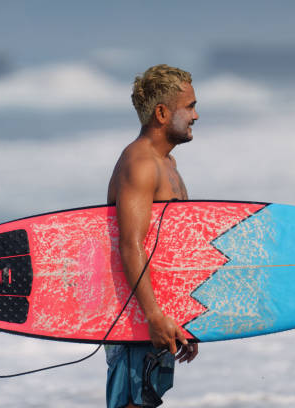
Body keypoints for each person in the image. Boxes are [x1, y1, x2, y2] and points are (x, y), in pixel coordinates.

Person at [105, 64, 200, 408]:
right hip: (136, 318)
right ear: (162, 113)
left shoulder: (167, 164)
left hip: (155, 314)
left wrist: (182, 315)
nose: (196, 115)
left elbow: (168, 249)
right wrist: (154, 316)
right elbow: (130, 245)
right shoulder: (140, 163)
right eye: (188, 106)